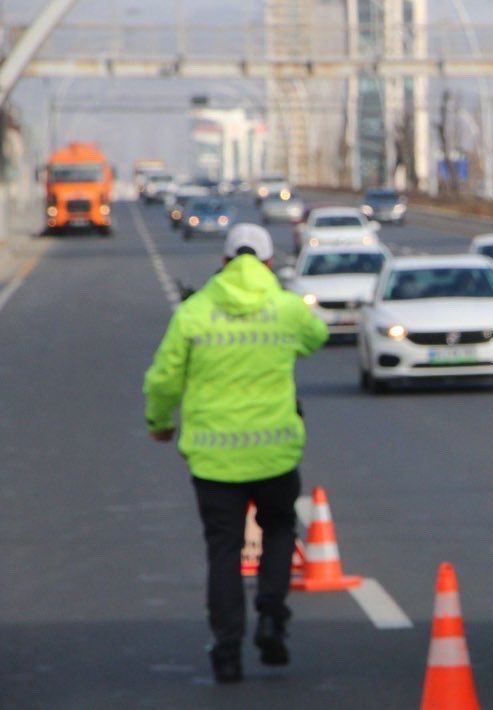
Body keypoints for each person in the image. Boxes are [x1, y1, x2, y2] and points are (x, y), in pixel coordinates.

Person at [143, 223, 328, 683]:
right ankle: (271, 615)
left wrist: (160, 424)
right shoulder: (285, 309)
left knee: (223, 551)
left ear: (223, 263)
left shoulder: (194, 313)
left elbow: (164, 378)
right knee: (280, 530)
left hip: (214, 459)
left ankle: (226, 649)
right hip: (274, 453)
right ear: (268, 264)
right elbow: (317, 337)